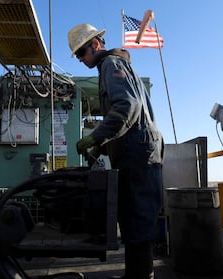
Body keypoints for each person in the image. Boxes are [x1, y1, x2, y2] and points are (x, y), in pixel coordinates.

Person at [68, 24, 164, 279]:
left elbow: (126, 107)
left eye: (82, 52)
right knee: (132, 220)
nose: (80, 59)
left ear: (96, 45)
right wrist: (102, 145)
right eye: (77, 55)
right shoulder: (110, 66)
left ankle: (141, 276)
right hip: (135, 153)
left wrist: (95, 138)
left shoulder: (111, 64)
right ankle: (136, 274)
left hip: (139, 155)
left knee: (139, 220)